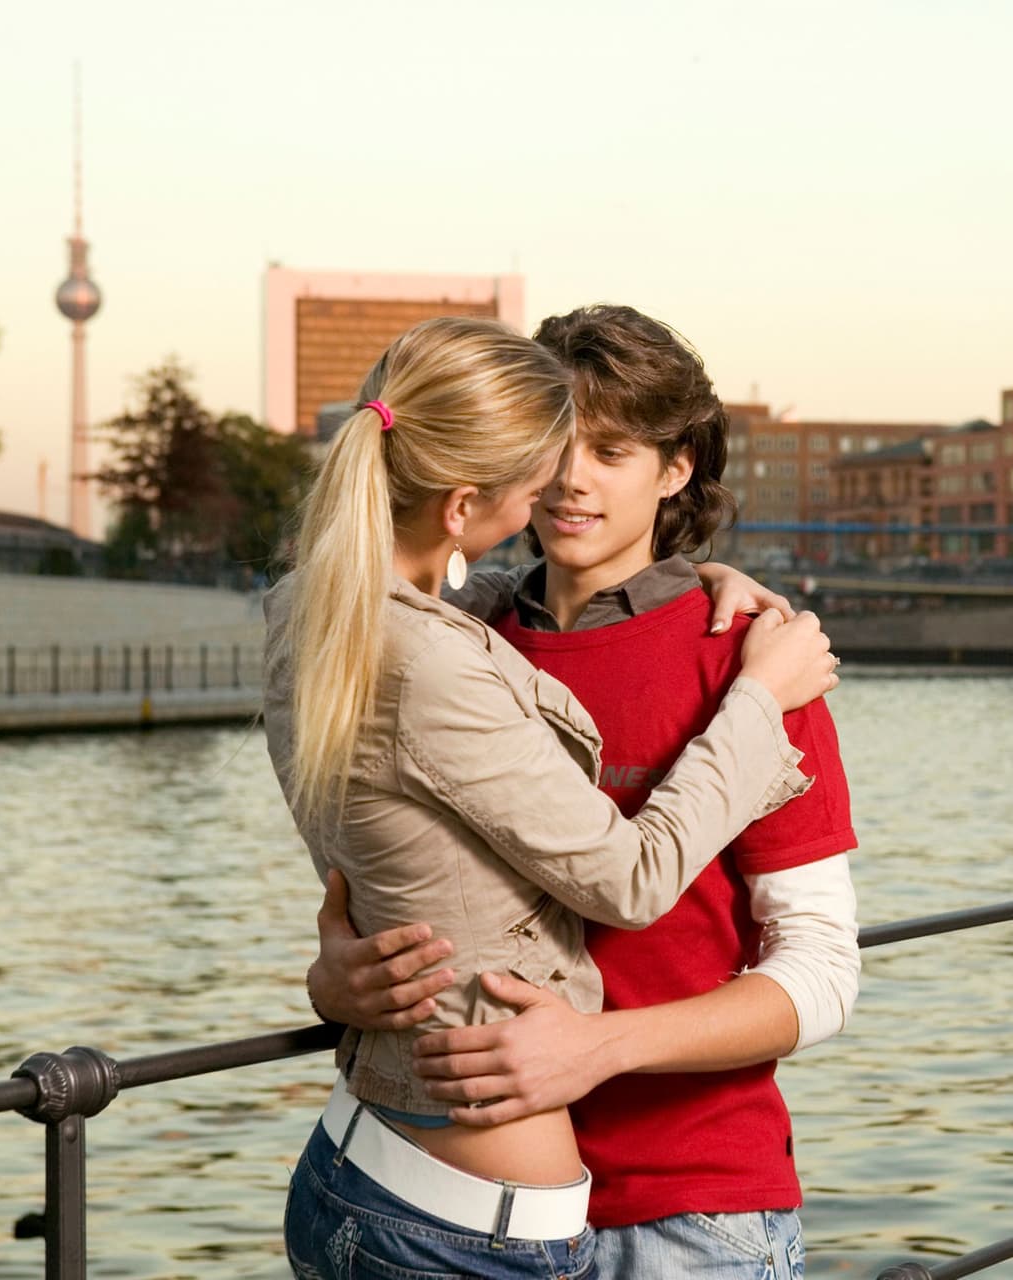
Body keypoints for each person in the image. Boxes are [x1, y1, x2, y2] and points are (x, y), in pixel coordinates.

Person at [262, 315, 839, 1280]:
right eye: (552, 447)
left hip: (687, 1213)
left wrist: (601, 1047)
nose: (568, 479)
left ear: (676, 469)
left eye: (609, 452)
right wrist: (335, 982)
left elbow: (822, 972)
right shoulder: (455, 637)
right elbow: (391, 869)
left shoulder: (754, 663)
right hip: (454, 1181)